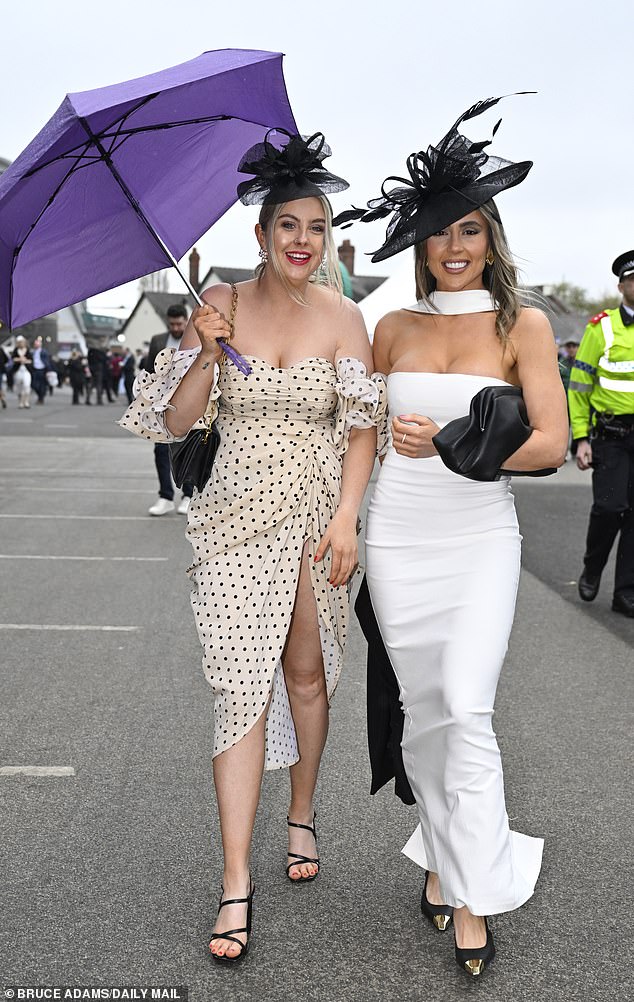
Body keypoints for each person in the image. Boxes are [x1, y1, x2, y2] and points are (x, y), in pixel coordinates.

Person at [119, 129, 384, 964]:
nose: (301, 240)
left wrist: (347, 519)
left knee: (307, 673)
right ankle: (236, 881)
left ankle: (301, 809)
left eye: (315, 225)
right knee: (240, 688)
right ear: (260, 235)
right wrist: (203, 346)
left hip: (315, 515)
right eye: (286, 226)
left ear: (327, 235)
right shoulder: (221, 304)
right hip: (233, 518)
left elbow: (362, 428)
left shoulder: (346, 316)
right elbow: (174, 422)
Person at [337, 97, 568, 977]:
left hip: (478, 539)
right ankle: (440, 853)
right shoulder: (390, 326)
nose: (455, 245)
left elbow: (547, 441)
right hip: (398, 535)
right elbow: (356, 428)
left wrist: (470, 449)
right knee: (426, 711)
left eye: (470, 228)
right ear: (419, 245)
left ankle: (472, 893)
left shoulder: (523, 325)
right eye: (439, 233)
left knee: (464, 707)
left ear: (490, 237)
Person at [569, 249, 634, 617]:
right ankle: (592, 568)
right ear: (622, 285)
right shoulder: (601, 327)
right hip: (611, 434)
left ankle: (625, 592)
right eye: (633, 279)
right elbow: (579, 385)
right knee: (610, 508)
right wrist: (580, 438)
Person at [142, 303, 195, 515]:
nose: (175, 328)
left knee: (188, 451)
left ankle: (189, 495)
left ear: (186, 321)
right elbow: (148, 370)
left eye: (179, 324)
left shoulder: (197, 338)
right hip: (162, 404)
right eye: (172, 324)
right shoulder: (158, 341)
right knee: (161, 451)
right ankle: (165, 496)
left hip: (190, 403)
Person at [11, 335, 32, 408]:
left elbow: (31, 360)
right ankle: (20, 402)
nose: (21, 343)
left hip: (26, 370)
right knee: (19, 387)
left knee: (27, 385)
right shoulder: (16, 350)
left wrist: (25, 360)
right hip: (18, 370)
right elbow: (13, 359)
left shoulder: (28, 350)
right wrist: (20, 359)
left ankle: (26, 401)